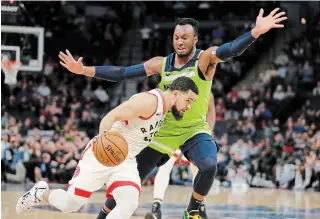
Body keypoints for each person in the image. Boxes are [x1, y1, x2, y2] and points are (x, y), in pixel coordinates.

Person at [58, 8, 287, 219]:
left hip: (194, 131)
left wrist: (255, 32)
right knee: (125, 183)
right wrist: (84, 70)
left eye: (185, 37)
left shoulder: (205, 59)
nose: (180, 41)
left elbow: (228, 50)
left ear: (195, 40)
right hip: (162, 132)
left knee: (208, 165)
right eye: (176, 37)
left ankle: (192, 211)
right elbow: (123, 72)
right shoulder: (161, 63)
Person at [15, 76, 199, 219]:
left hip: (125, 160)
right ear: (175, 93)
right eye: (188, 100)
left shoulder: (165, 109)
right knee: (70, 205)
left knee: (129, 203)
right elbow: (110, 117)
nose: (189, 106)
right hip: (102, 154)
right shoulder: (149, 102)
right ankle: (40, 192)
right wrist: (103, 143)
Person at [145, 94, 215, 219]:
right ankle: (156, 208)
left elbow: (211, 113)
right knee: (165, 167)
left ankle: (198, 208)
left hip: (195, 134)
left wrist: (207, 135)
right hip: (176, 132)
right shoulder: (178, 87)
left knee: (199, 169)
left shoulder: (207, 92)